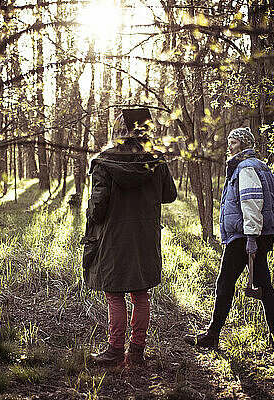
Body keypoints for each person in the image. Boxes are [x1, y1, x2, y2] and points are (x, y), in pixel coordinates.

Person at [82, 110, 177, 368]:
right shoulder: (156, 161)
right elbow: (169, 195)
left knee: (114, 294)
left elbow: (98, 204)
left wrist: (89, 213)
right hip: (144, 236)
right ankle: (135, 352)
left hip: (113, 236)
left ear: (119, 130)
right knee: (140, 293)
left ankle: (114, 351)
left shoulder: (105, 162)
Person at [184, 127, 274, 349]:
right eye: (229, 141)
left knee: (225, 282)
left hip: (245, 236)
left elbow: (251, 203)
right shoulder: (259, 166)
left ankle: (212, 334)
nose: (229, 145)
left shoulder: (246, 168)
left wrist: (250, 238)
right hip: (257, 235)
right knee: (263, 283)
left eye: (234, 142)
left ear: (244, 144)